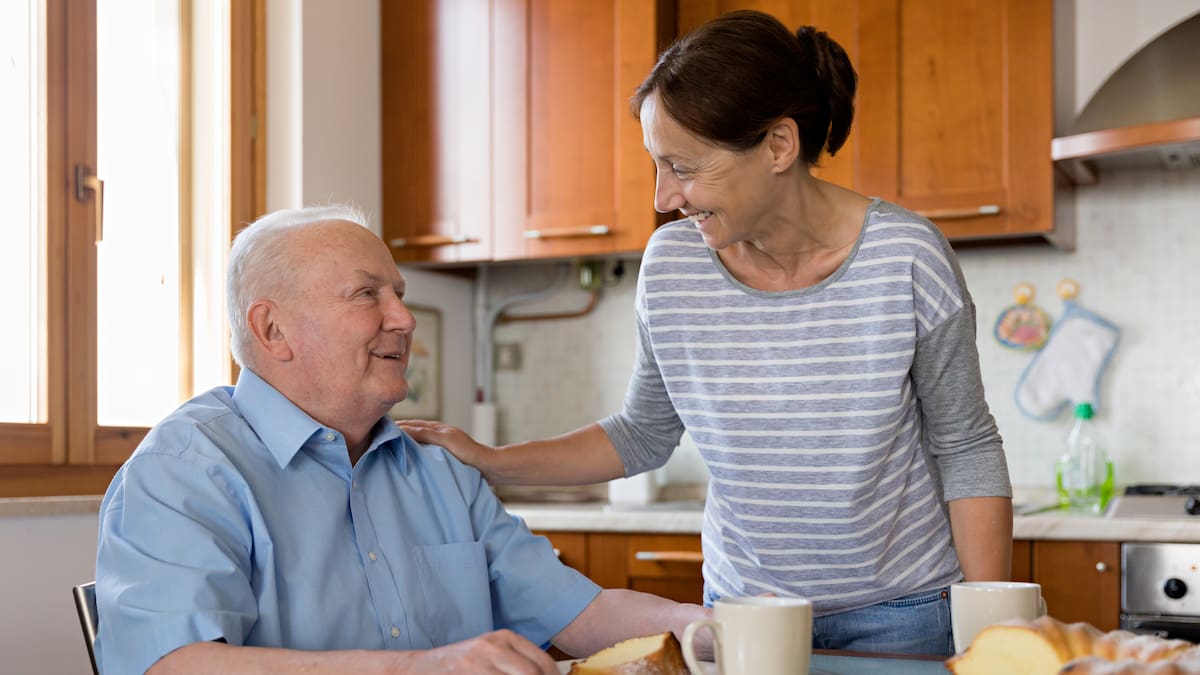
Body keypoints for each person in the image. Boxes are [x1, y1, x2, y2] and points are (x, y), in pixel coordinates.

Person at [401, 10, 1013, 657]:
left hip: (906, 612)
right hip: (744, 613)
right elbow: (644, 432)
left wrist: (992, 634)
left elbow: (965, 443)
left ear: (779, 145)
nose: (665, 196)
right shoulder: (672, 268)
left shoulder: (908, 257)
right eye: (656, 167)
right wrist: (494, 460)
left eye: (683, 167)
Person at [94, 204, 710, 675]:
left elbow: (579, 615)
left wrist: (703, 625)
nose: (405, 318)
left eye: (399, 294)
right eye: (368, 294)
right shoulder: (184, 471)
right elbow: (174, 665)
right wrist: (428, 667)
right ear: (272, 328)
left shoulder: (439, 470)